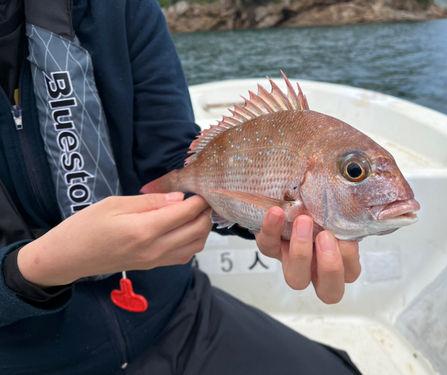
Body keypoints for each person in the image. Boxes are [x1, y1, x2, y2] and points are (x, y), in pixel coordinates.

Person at [0, 0, 362, 374]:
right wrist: (31, 270)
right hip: (27, 357)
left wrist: (263, 218)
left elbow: (175, 159)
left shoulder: (120, 7)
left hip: (176, 312)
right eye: (354, 173)